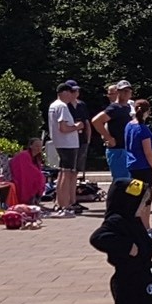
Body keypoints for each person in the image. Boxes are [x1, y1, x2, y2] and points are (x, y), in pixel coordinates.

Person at [124, 100, 152, 234]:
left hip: (132, 167)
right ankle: (145, 228)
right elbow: (148, 153)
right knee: (145, 199)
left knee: (135, 196)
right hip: (144, 168)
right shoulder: (143, 129)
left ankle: (136, 227)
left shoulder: (128, 126)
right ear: (147, 112)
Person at [47, 81, 83, 216]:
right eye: (70, 92)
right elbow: (63, 128)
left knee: (63, 173)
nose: (72, 96)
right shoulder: (62, 106)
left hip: (60, 143)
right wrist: (77, 127)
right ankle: (64, 205)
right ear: (64, 92)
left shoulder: (53, 106)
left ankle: (61, 204)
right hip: (68, 144)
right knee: (66, 174)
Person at [92, 80, 134, 181]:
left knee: (129, 181)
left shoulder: (128, 107)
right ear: (118, 92)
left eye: (128, 91)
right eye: (123, 91)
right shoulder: (114, 108)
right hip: (117, 150)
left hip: (127, 149)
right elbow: (96, 121)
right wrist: (108, 138)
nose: (126, 93)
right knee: (121, 181)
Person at [9, 137, 48, 210]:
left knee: (39, 177)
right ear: (30, 146)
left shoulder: (36, 158)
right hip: (16, 175)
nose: (38, 148)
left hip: (25, 174)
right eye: (36, 146)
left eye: (40, 146)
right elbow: (25, 169)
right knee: (37, 177)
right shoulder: (24, 155)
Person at [70, 86, 91, 179]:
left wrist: (88, 138)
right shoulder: (65, 105)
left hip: (82, 138)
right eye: (73, 91)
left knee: (79, 165)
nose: (76, 92)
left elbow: (86, 122)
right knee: (69, 167)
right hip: (69, 140)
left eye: (77, 90)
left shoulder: (81, 105)